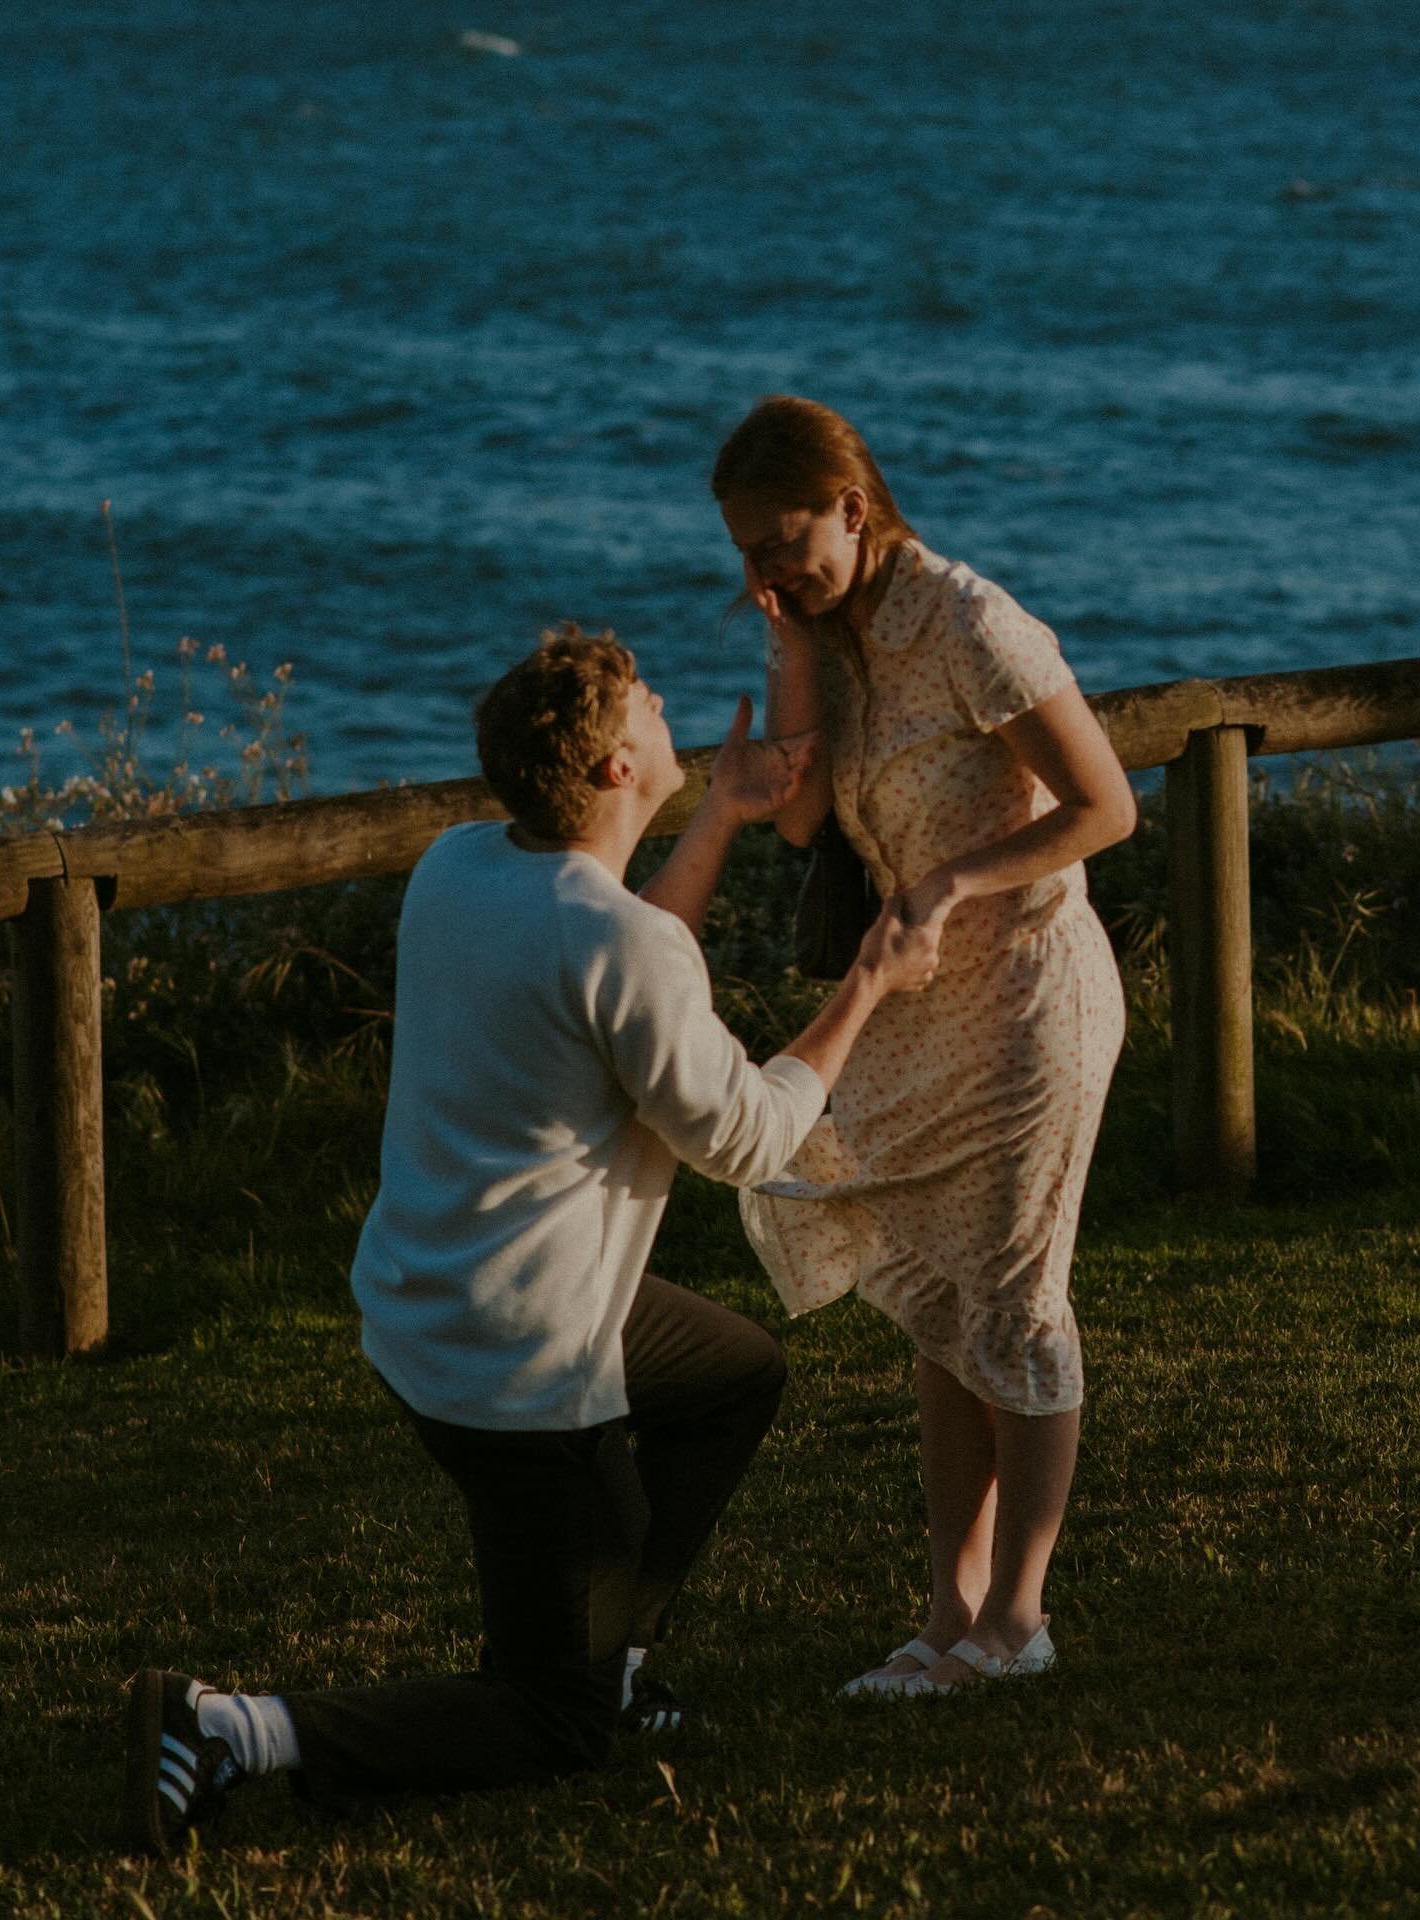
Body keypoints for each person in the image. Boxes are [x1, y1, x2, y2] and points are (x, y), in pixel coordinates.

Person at [125, 624, 941, 1855]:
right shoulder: (612, 941)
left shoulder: (459, 869)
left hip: (429, 1302)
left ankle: (617, 1657)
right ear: (618, 767)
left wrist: (716, 811)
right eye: (648, 704)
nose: (667, 704)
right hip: (520, 1364)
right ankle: (234, 1729)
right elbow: (750, 1135)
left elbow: (614, 953)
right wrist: (870, 981)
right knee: (549, 1723)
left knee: (732, 1373)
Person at [711, 396, 1137, 1699]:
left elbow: (1105, 807)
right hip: (920, 1007)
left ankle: (1019, 1621)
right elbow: (795, 832)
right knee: (944, 1314)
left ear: (854, 504)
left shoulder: (970, 622)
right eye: (746, 556)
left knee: (1012, 1300)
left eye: (786, 545)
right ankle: (948, 1616)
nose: (768, 573)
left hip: (1026, 1001)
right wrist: (789, 643)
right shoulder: (837, 636)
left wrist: (953, 879)